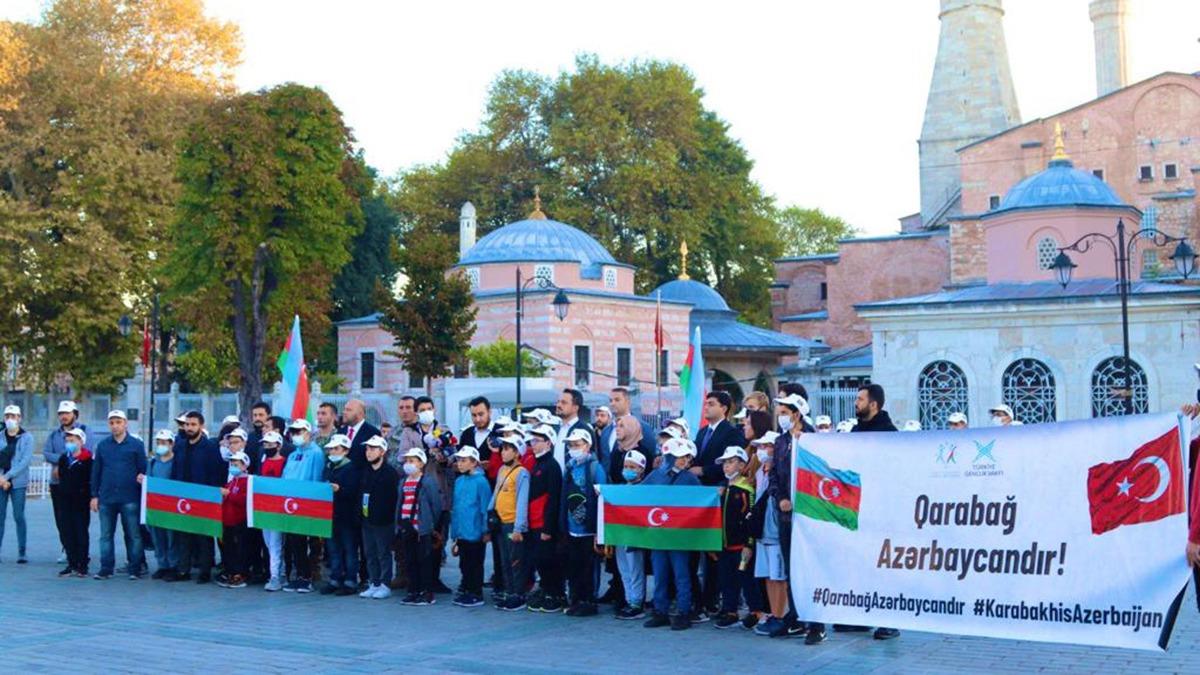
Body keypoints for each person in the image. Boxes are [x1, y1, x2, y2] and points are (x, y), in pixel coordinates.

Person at [770, 393, 826, 643]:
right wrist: (781, 497)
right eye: (779, 412)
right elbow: (774, 477)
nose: (780, 416)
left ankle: (817, 624)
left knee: (811, 568)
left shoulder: (814, 439)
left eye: (783, 411)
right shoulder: (781, 442)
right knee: (791, 568)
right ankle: (796, 616)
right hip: (786, 518)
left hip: (809, 518)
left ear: (796, 413)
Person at [850, 384, 900, 641]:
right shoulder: (856, 431)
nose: (855, 402)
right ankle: (862, 616)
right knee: (862, 563)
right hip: (858, 507)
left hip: (883, 510)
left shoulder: (890, 434)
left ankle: (889, 620)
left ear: (874, 404)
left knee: (884, 566)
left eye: (860, 399)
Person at [690, 391, 743, 617]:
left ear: (724, 408)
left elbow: (732, 463)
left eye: (711, 404)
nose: (706, 407)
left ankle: (716, 599)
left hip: (720, 494)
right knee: (701, 549)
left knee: (716, 552)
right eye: (706, 403)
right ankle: (701, 598)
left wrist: (704, 470)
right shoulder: (702, 433)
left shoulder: (731, 433)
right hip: (700, 496)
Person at [643, 437, 701, 631]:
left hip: (679, 537)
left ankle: (684, 611)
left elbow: (701, 503)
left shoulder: (691, 479)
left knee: (681, 574)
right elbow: (638, 495)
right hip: (658, 535)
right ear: (668, 457)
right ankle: (660, 611)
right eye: (678, 457)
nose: (682, 461)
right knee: (659, 574)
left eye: (685, 457)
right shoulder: (655, 476)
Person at [169, 410, 224, 583]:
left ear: (201, 426)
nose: (189, 428)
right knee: (183, 535)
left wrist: (212, 495)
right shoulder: (179, 445)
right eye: (187, 424)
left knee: (203, 536)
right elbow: (175, 469)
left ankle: (205, 570)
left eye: (193, 424)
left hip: (203, 497)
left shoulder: (210, 447)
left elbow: (217, 472)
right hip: (183, 497)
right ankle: (183, 570)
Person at [91, 410, 146, 580]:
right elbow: (96, 472)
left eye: (118, 422)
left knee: (133, 535)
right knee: (106, 535)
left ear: (125, 423)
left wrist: (142, 479)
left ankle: (135, 567)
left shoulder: (136, 445)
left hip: (130, 497)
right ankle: (106, 568)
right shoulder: (103, 446)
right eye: (112, 422)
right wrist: (94, 495)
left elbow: (143, 469)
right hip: (107, 497)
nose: (115, 426)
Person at [560, 428, 607, 617]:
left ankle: (589, 601)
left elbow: (601, 498)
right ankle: (576, 599)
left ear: (587, 446)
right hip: (572, 527)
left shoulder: (596, 468)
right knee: (574, 566)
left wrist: (598, 529)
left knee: (588, 567)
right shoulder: (570, 467)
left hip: (588, 528)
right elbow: (564, 495)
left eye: (577, 445)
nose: (573, 449)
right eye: (571, 445)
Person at [750, 431, 790, 637]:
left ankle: (781, 614)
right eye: (760, 447)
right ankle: (773, 614)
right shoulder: (759, 473)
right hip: (761, 532)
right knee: (767, 575)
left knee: (778, 576)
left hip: (775, 531)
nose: (762, 451)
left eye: (766, 446)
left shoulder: (782, 473)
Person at [414, 396, 456, 594]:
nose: (426, 412)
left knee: (439, 536)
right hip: (417, 491)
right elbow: (401, 455)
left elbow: (454, 456)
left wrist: (444, 457)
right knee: (420, 537)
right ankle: (419, 579)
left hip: (440, 490)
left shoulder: (444, 431)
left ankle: (435, 578)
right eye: (422, 409)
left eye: (429, 408)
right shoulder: (408, 432)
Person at [523, 424, 565, 613]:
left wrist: (548, 528)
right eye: (532, 441)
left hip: (544, 523)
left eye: (537, 441)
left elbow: (554, 498)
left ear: (548, 442)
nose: (533, 444)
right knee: (538, 560)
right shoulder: (537, 463)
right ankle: (547, 590)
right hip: (533, 521)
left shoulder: (552, 466)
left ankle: (555, 594)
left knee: (548, 560)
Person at [713, 446, 755, 629]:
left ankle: (755, 611)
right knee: (726, 579)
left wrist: (749, 543)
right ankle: (730, 611)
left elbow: (750, 517)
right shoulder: (722, 489)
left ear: (741, 464)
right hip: (724, 544)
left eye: (730, 462)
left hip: (741, 546)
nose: (726, 467)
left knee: (745, 578)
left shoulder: (746, 489)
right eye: (724, 463)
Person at [281, 423, 327, 593]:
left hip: (306, 503)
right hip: (291, 504)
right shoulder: (293, 455)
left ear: (308, 433)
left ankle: (307, 577)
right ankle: (299, 576)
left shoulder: (316, 453)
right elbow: (285, 476)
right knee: (294, 542)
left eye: (299, 431)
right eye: (293, 432)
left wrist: (312, 502)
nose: (295, 435)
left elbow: (316, 478)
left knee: (309, 542)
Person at [489, 434, 530, 611]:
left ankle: (518, 594)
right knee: (504, 560)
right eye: (502, 448)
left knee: (515, 561)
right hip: (500, 521)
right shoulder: (502, 470)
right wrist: (490, 512)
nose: (503, 452)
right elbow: (496, 493)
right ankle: (509, 591)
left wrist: (519, 527)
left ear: (516, 452)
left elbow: (522, 500)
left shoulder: (522, 473)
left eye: (507, 449)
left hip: (513, 523)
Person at [398, 447, 442, 606]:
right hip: (406, 526)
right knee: (410, 560)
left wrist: (429, 524)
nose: (408, 464)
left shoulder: (427, 481)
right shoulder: (403, 481)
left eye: (412, 461)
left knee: (424, 560)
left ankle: (426, 592)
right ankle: (413, 590)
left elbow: (436, 505)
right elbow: (400, 502)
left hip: (421, 529)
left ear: (421, 463)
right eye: (406, 461)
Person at [45, 400, 85, 567]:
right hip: (57, 483)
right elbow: (47, 453)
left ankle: (81, 553)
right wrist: (63, 459)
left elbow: (84, 451)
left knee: (79, 520)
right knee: (61, 518)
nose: (64, 416)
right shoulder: (54, 435)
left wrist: (61, 461)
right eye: (61, 413)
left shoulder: (84, 431)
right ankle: (67, 548)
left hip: (78, 484)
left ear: (74, 414)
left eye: (67, 413)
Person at [449, 446, 490, 608]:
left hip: (475, 530)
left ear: (474, 463)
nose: (460, 463)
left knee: (474, 562)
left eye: (464, 460)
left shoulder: (481, 482)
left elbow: (485, 507)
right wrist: (455, 533)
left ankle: (476, 592)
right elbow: (457, 507)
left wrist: (486, 530)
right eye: (458, 460)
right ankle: (466, 588)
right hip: (462, 531)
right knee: (464, 563)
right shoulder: (459, 481)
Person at [360, 435, 398, 600]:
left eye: (373, 449)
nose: (369, 452)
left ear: (382, 451)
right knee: (370, 552)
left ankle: (385, 584)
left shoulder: (390, 473)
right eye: (367, 448)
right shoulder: (365, 471)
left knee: (383, 552)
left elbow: (393, 498)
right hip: (366, 518)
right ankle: (374, 582)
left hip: (383, 520)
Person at [322, 434, 361, 596]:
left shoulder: (352, 468)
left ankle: (351, 580)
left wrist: (340, 489)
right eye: (331, 448)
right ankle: (335, 579)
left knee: (349, 549)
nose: (332, 451)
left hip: (347, 516)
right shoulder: (329, 466)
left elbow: (353, 491)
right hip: (330, 515)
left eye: (336, 448)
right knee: (333, 549)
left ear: (345, 451)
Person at [612, 449, 648, 620]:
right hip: (620, 534)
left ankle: (637, 602)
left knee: (635, 569)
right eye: (626, 466)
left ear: (641, 469)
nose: (628, 469)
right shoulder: (620, 489)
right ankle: (628, 599)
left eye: (632, 467)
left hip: (635, 536)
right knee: (623, 568)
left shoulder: (645, 488)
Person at [57, 427, 92, 577]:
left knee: (80, 532)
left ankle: (82, 564)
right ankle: (71, 562)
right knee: (67, 531)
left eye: (73, 440)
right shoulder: (64, 459)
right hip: (65, 500)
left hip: (81, 501)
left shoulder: (88, 460)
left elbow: (90, 481)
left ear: (81, 441)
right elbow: (61, 477)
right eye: (67, 440)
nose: (69, 443)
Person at [0, 404, 33, 563]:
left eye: (13, 416)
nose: (10, 420)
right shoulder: (0, 436)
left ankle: (22, 552)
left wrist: (7, 476)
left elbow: (24, 461)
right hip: (1, 482)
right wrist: (2, 479)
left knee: (19, 516)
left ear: (19, 418)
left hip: (18, 482)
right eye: (7, 416)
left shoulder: (27, 438)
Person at [146, 429, 180, 580]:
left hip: (172, 506)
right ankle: (162, 564)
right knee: (157, 535)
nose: (161, 445)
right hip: (155, 505)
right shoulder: (153, 462)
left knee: (171, 536)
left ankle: (173, 565)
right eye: (158, 442)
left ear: (171, 444)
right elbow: (148, 480)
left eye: (164, 443)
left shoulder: (177, 462)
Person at [258, 430, 288, 592]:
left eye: (270, 444)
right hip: (264, 508)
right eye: (265, 444)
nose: (267, 447)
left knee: (276, 542)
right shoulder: (263, 461)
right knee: (269, 543)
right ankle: (280, 572)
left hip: (277, 509)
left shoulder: (284, 462)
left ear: (278, 445)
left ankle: (275, 576)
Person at [218, 450, 251, 589]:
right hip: (228, 521)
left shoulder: (248, 481)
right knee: (229, 548)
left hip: (240, 521)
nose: (233, 466)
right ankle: (231, 571)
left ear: (244, 466)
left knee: (240, 549)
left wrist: (229, 494)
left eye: (236, 464)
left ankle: (240, 573)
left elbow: (245, 500)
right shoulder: (232, 481)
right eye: (231, 463)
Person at [555, 388, 597, 469]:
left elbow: (592, 459)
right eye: (558, 402)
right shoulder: (555, 428)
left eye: (564, 402)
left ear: (575, 408)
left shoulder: (584, 429)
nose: (558, 405)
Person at [341, 399, 381, 467]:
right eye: (344, 409)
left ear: (360, 414)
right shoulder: (340, 432)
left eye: (349, 410)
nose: (344, 412)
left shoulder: (373, 433)